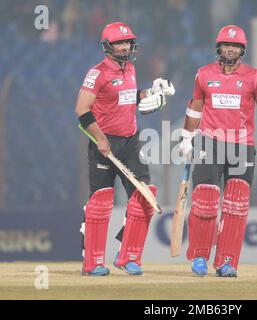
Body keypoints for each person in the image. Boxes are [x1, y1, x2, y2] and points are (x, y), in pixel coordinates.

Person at [179, 25, 257, 277]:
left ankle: (227, 261)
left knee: (236, 206)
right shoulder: (203, 74)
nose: (231, 49)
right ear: (219, 47)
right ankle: (200, 257)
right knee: (204, 202)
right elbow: (195, 109)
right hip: (210, 143)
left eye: (236, 45)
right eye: (227, 44)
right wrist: (186, 137)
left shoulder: (254, 77)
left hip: (242, 145)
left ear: (242, 50)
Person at [75, 21, 175, 276]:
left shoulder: (130, 67)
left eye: (127, 41)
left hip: (131, 140)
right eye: (119, 42)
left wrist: (151, 92)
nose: (124, 46)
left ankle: (128, 256)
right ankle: (94, 262)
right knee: (100, 202)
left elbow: (129, 96)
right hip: (105, 142)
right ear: (108, 46)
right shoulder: (97, 73)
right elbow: (81, 110)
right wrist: (100, 138)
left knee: (145, 195)